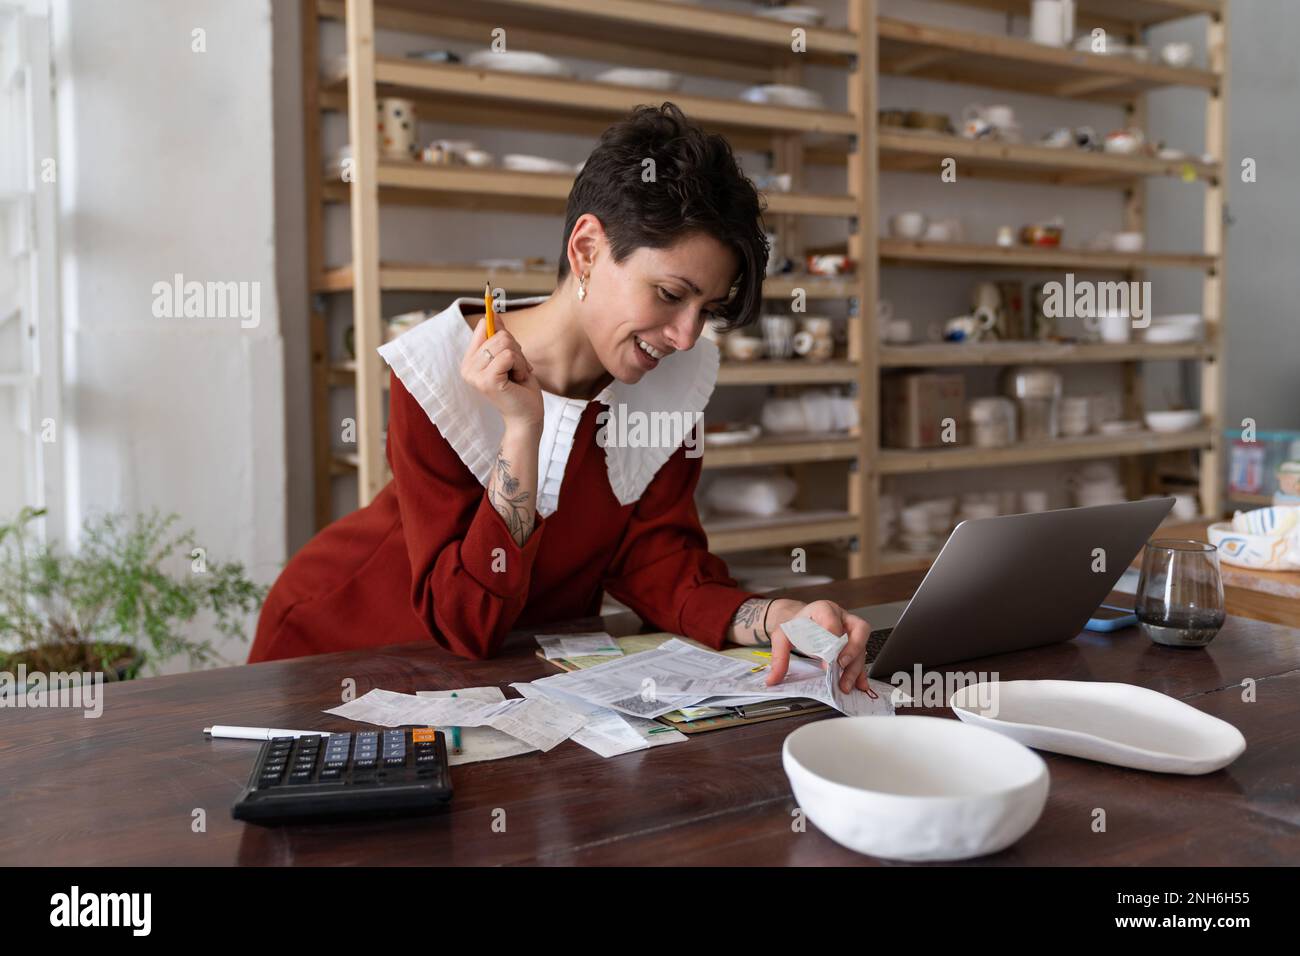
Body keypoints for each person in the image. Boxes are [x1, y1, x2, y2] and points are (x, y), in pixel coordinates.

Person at [249, 102, 874, 694]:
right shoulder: (435, 367)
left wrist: (777, 617)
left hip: (520, 670)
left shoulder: (669, 380)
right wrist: (523, 432)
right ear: (586, 250)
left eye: (706, 309)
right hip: (348, 647)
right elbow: (465, 622)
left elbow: (661, 565)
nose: (686, 336)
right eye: (668, 294)